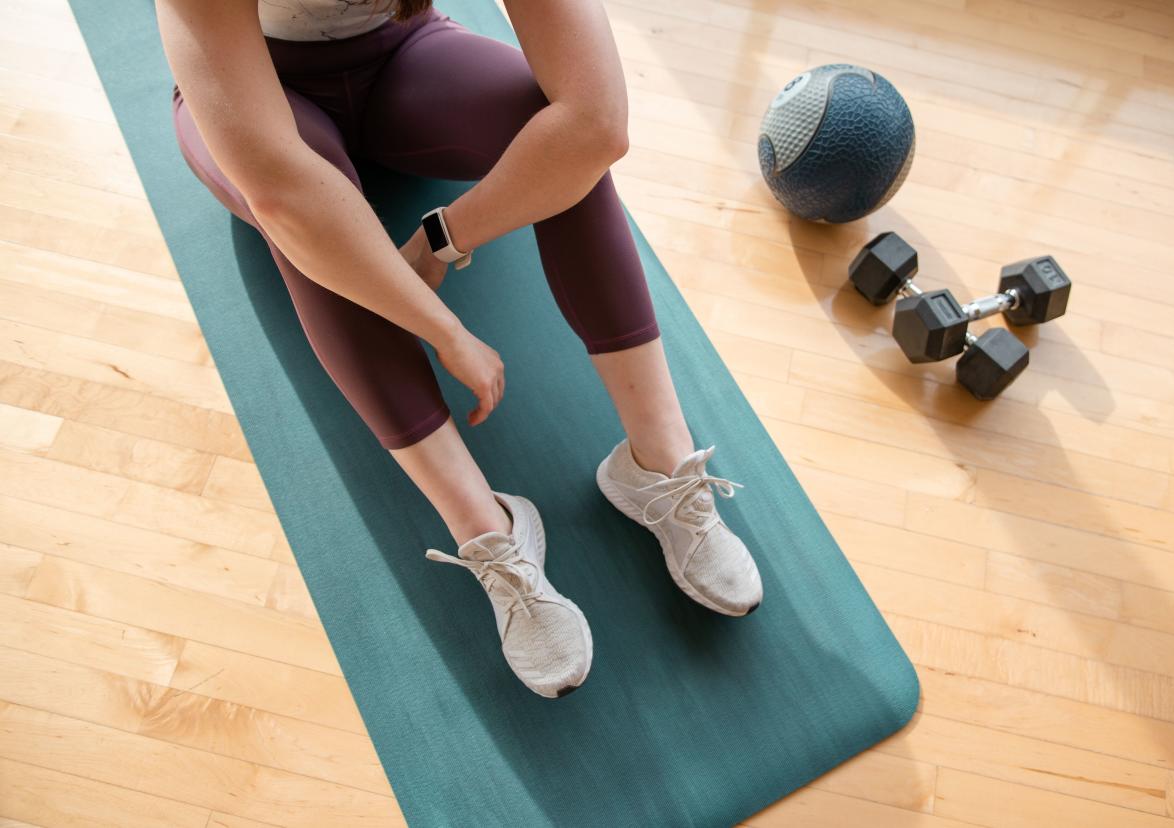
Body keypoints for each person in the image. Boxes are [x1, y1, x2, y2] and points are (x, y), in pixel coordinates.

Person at [155, 0, 763, 699]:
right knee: (299, 222)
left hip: (400, 59)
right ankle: (486, 527)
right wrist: (446, 331)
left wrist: (447, 235)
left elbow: (594, 123)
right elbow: (286, 193)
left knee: (557, 129)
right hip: (258, 83)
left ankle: (656, 460)